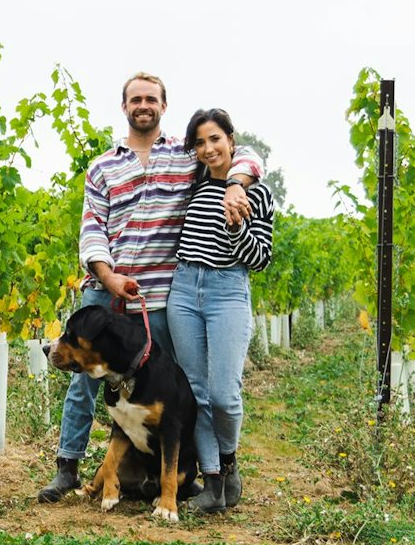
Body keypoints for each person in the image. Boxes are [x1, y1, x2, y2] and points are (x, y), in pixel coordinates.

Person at [38, 75, 263, 503]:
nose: (143, 105)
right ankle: (67, 467)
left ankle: (188, 475)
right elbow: (92, 231)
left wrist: (236, 183)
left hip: (159, 296)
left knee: (172, 393)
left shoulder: (185, 157)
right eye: (135, 99)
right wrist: (108, 277)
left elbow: (243, 153)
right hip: (106, 287)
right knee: (83, 382)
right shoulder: (103, 166)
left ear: (163, 105)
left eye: (151, 99)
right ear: (124, 107)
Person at [166, 108, 275, 514]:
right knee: (196, 391)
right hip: (183, 289)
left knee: (223, 394)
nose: (208, 148)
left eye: (215, 139)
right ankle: (212, 483)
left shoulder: (256, 192)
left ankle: (229, 464)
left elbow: (260, 259)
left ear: (231, 140)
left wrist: (235, 226)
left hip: (228, 290)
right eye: (199, 142)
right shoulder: (195, 185)